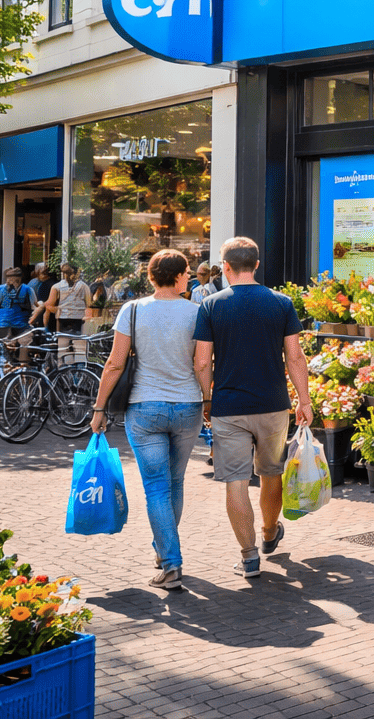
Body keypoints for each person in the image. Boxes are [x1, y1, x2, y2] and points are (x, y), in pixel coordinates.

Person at [193, 237, 311, 579]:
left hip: (228, 406)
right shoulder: (281, 303)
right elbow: (295, 356)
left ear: (225, 267)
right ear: (257, 265)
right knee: (271, 472)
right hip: (273, 404)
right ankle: (269, 533)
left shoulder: (211, 305)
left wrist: (207, 398)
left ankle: (248, 557)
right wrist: (304, 400)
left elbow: (202, 362)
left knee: (236, 481)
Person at [89, 249, 205, 591]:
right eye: (188, 272)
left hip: (144, 408)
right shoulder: (197, 313)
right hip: (187, 406)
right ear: (181, 276)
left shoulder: (133, 310)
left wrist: (99, 408)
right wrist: (208, 399)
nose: (190, 277)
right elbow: (201, 364)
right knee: (176, 482)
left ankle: (169, 562)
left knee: (156, 486)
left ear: (152, 277)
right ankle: (165, 551)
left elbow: (115, 363)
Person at [35, 264, 92, 362]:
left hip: (71, 319)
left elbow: (49, 304)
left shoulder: (60, 287)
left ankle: (71, 371)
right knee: (72, 348)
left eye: (68, 273)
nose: (67, 275)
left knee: (70, 348)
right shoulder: (80, 286)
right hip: (71, 320)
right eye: (66, 273)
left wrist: (58, 309)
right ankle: (73, 371)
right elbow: (89, 304)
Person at [0, 268, 38, 358]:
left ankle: (22, 369)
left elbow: (34, 307)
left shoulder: (28, 290)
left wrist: (33, 320)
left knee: (24, 349)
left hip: (21, 326)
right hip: (4, 326)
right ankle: (10, 368)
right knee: (7, 351)